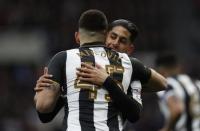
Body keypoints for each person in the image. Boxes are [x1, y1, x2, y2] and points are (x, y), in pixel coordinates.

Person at [34, 9, 159, 131]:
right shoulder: (129, 63)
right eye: (113, 37)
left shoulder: (63, 58)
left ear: (77, 37)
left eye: (121, 40)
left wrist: (46, 93)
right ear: (106, 36)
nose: (114, 43)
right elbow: (162, 83)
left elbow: (43, 109)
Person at [156, 53, 200, 131]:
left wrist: (167, 128)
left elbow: (177, 109)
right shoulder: (196, 83)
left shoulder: (166, 85)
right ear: (178, 67)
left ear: (160, 71)